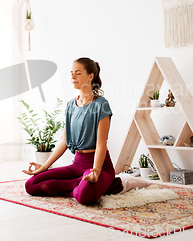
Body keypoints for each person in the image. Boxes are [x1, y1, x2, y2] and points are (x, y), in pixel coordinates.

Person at [22, 57, 123, 205]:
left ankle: (92, 184)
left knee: (85, 198)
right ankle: (78, 185)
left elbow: (101, 144)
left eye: (78, 73)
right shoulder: (70, 105)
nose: (73, 77)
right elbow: (65, 141)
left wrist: (96, 170)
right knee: (31, 185)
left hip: (98, 165)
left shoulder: (101, 105)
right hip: (77, 164)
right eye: (71, 73)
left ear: (90, 76)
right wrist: (44, 167)